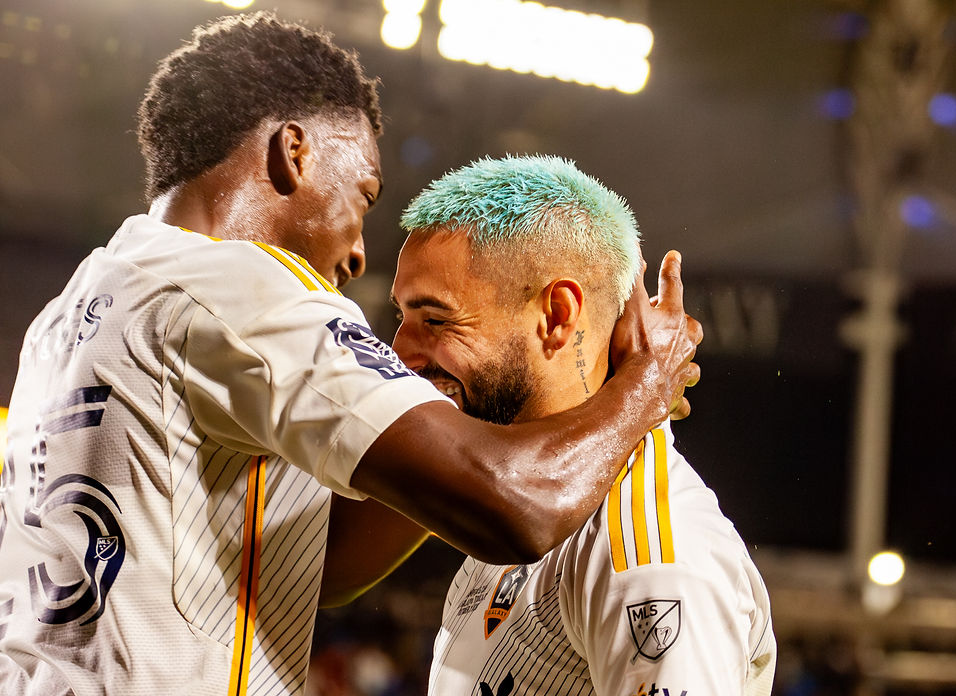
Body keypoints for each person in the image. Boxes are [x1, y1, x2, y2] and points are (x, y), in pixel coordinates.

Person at [0, 12, 702, 696]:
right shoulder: (240, 287)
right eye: (363, 195)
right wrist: (645, 381)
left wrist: (456, 404)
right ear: (294, 152)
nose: (359, 248)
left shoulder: (80, 302)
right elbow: (521, 506)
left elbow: (314, 563)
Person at [385, 155, 776, 696]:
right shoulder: (515, 493)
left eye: (436, 319)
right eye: (401, 318)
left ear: (556, 316)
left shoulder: (651, 554)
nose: (401, 351)